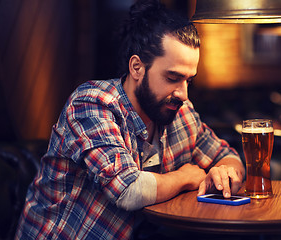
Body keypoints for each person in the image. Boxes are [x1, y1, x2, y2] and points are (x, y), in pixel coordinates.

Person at [15, 0, 245, 239]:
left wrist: (225, 173)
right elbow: (129, 190)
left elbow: (226, 156)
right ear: (137, 67)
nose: (183, 93)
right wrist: (186, 177)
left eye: (188, 80)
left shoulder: (181, 112)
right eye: (172, 77)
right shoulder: (92, 103)